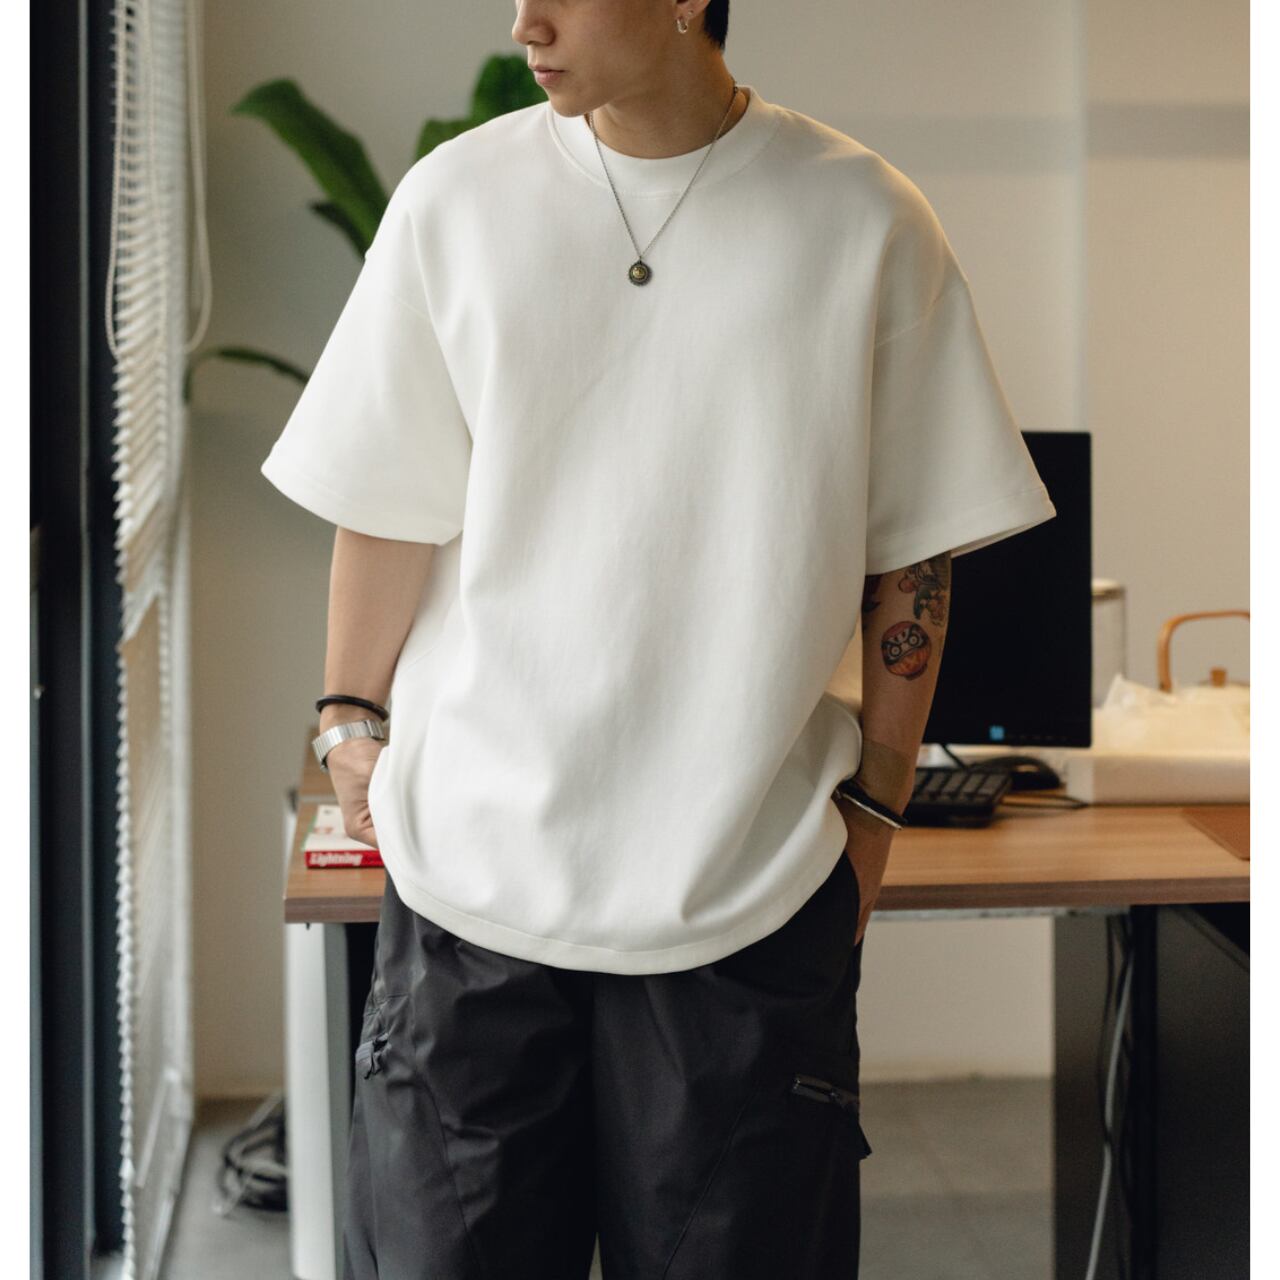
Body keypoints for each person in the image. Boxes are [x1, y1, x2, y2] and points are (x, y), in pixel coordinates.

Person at [260, 2, 1057, 1275]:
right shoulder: (455, 200)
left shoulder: (861, 216)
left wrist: (875, 812)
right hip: (472, 885)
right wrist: (347, 716)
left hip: (743, 893)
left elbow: (912, 555)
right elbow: (388, 500)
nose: (524, 22)